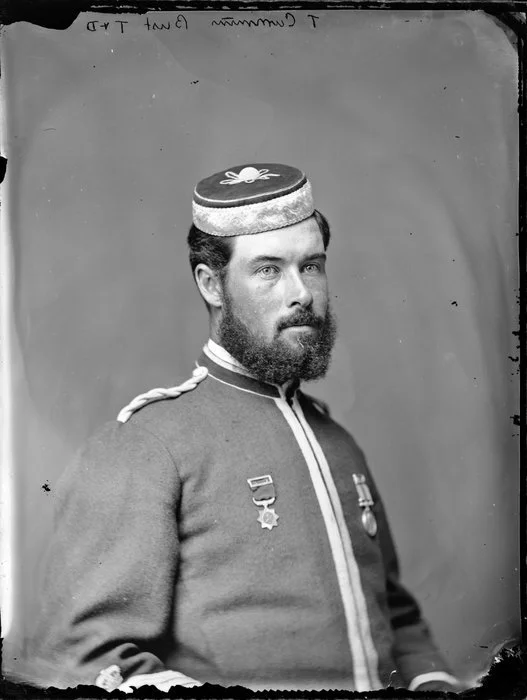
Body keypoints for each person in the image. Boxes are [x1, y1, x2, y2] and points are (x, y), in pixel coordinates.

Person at [28, 163, 461, 693]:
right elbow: (83, 659)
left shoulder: (337, 443)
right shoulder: (146, 444)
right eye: (269, 270)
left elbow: (396, 619)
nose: (301, 292)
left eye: (313, 266)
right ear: (211, 285)